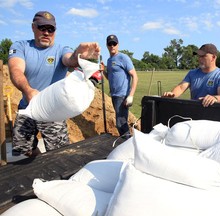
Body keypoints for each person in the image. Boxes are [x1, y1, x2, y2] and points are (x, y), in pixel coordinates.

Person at [8, 11, 101, 157]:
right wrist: (29, 91)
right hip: (28, 107)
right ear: (33, 27)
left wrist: (80, 55)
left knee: (60, 154)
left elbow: (70, 59)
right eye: (42, 28)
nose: (46, 32)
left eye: (50, 29)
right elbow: (16, 70)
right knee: (22, 151)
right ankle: (37, 164)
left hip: (53, 113)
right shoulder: (21, 47)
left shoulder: (61, 50)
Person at [162, 43, 220, 107]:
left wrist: (215, 98)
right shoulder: (192, 73)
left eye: (203, 56)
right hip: (195, 113)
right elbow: (181, 87)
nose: (200, 59)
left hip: (213, 116)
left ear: (213, 57)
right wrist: (172, 94)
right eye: (199, 56)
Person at [103, 34, 138, 137]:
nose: (112, 46)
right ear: (107, 45)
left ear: (118, 45)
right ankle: (127, 142)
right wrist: (102, 71)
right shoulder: (109, 61)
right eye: (110, 44)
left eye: (114, 43)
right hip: (114, 95)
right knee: (121, 121)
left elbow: (135, 76)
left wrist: (131, 95)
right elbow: (110, 78)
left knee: (120, 123)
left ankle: (128, 143)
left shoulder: (123, 58)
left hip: (122, 95)